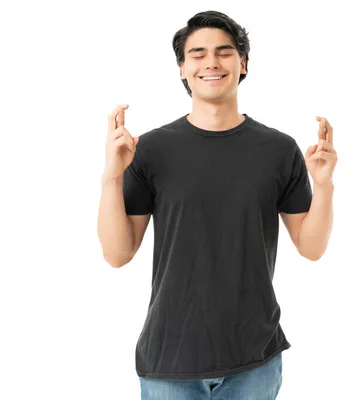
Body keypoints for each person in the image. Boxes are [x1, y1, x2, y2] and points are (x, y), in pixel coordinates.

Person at [97, 10, 337, 400]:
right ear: (182, 68)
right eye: (198, 54)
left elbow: (311, 248)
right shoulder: (150, 150)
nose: (211, 62)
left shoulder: (279, 149)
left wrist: (323, 186)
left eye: (224, 52)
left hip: (254, 361)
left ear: (242, 64)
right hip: (169, 363)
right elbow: (117, 254)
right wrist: (110, 176)